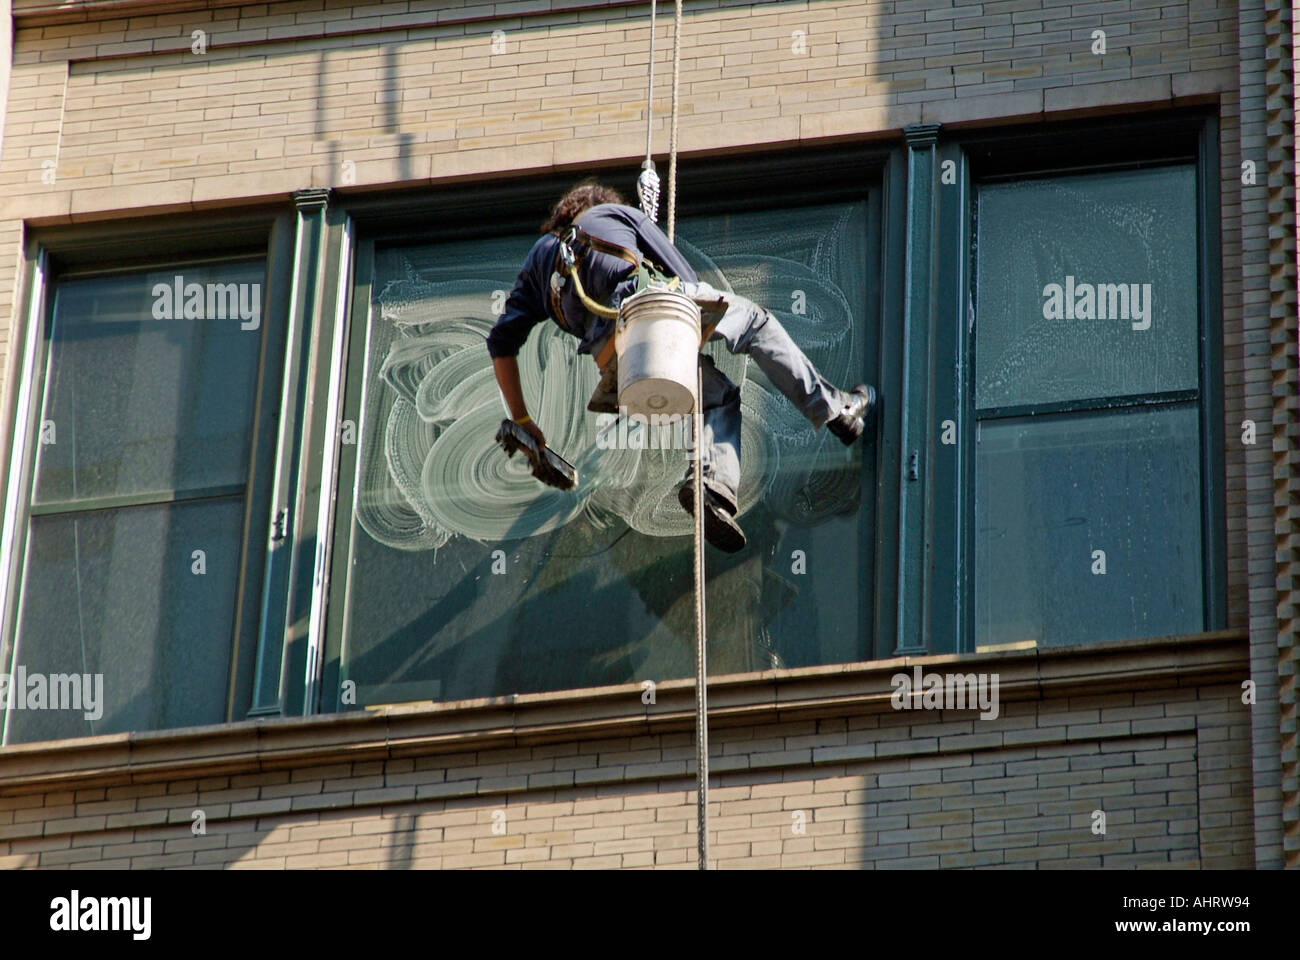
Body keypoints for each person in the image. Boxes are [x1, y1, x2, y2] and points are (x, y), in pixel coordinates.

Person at [487, 180, 878, 553]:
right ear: (593, 205)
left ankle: (712, 491)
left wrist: (522, 419)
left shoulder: (539, 262)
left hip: (618, 356)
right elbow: (683, 277)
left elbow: (501, 342)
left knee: (717, 398)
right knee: (754, 324)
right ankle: (833, 408)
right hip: (648, 308)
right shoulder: (613, 214)